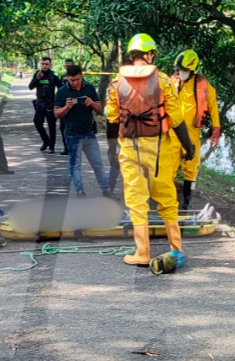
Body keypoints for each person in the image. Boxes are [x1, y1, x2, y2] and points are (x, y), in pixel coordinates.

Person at [105, 33, 195, 266]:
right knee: (166, 199)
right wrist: (189, 146)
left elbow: (112, 117)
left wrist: (111, 148)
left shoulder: (116, 83)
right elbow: (176, 119)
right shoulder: (164, 81)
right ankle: (176, 248)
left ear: (131, 55)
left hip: (129, 148)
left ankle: (142, 253)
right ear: (149, 54)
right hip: (159, 149)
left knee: (136, 201)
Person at [171, 49, 221, 210]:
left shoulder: (203, 86)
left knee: (191, 169)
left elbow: (212, 105)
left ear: (193, 70)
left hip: (192, 133)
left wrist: (216, 127)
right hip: (172, 133)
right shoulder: (172, 82)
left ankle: (186, 204)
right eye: (180, 69)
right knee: (168, 168)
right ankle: (167, 204)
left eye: (184, 70)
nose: (181, 73)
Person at [54, 65, 110, 197]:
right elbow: (56, 114)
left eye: (77, 79)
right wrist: (67, 107)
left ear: (81, 76)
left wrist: (92, 103)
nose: (74, 83)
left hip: (89, 132)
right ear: (68, 78)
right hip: (72, 134)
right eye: (71, 80)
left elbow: (101, 110)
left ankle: (106, 190)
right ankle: (80, 191)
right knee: (75, 165)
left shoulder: (89, 88)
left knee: (98, 164)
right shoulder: (62, 91)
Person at [28, 57, 60, 154]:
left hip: (50, 103)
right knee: (37, 123)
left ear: (50, 65)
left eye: (46, 64)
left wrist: (58, 103)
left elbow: (61, 88)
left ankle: (51, 146)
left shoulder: (53, 75)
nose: (44, 66)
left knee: (51, 126)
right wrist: (37, 79)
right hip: (39, 103)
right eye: (43, 64)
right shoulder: (37, 74)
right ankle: (46, 141)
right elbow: (30, 87)